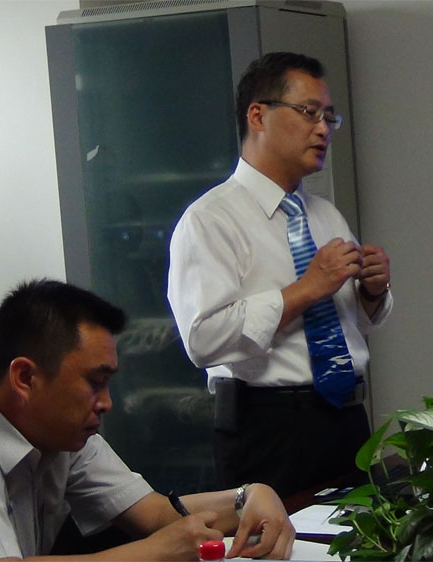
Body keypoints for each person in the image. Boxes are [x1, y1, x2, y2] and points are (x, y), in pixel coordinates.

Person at [0, 279, 295, 561]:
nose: (106, 403)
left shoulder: (56, 433)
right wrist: (155, 552)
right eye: (94, 383)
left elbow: (154, 514)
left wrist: (246, 498)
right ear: (25, 378)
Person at [167, 51, 393, 497]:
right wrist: (306, 289)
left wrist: (372, 290)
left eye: (329, 117)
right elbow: (203, 339)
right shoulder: (210, 220)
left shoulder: (326, 215)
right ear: (258, 116)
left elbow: (353, 324)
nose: (323, 129)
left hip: (346, 417)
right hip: (268, 429)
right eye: (309, 112)